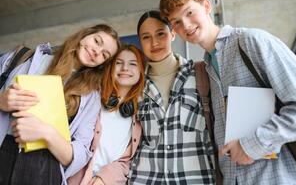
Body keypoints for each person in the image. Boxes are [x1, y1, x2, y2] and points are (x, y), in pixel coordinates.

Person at [159, 0, 296, 184]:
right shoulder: (206, 68)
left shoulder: (251, 42)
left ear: (206, 6)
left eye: (190, 13)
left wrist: (252, 145)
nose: (186, 25)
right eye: (177, 22)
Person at [0, 24, 121, 185]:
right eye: (97, 41)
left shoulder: (92, 96)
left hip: (44, 168)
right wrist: (1, 100)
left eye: (104, 55)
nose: (97, 52)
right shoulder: (23, 59)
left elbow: (83, 151)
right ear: (84, 35)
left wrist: (48, 134)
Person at [129, 10, 215, 184]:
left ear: (173, 34)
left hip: (195, 178)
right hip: (146, 179)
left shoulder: (201, 74)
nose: (154, 42)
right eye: (146, 37)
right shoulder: (134, 86)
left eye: (160, 34)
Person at [68, 44, 144, 185]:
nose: (125, 68)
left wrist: (104, 179)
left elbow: (126, 161)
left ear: (141, 72)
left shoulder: (140, 114)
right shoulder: (91, 98)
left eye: (133, 64)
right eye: (119, 63)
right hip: (74, 178)